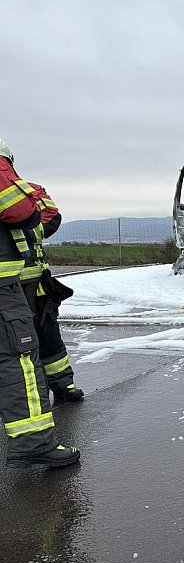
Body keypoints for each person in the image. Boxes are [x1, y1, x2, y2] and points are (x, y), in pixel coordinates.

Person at [0, 137, 79, 467]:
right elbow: (27, 215)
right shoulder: (19, 190)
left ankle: (63, 384)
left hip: (32, 280)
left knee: (44, 337)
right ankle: (33, 440)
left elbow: (48, 222)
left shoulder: (33, 189)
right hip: (10, 286)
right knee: (20, 356)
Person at [18, 182, 85, 404]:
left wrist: (31, 194)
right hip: (10, 292)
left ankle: (63, 384)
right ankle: (28, 395)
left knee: (49, 338)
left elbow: (51, 216)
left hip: (39, 290)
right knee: (17, 347)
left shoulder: (26, 197)